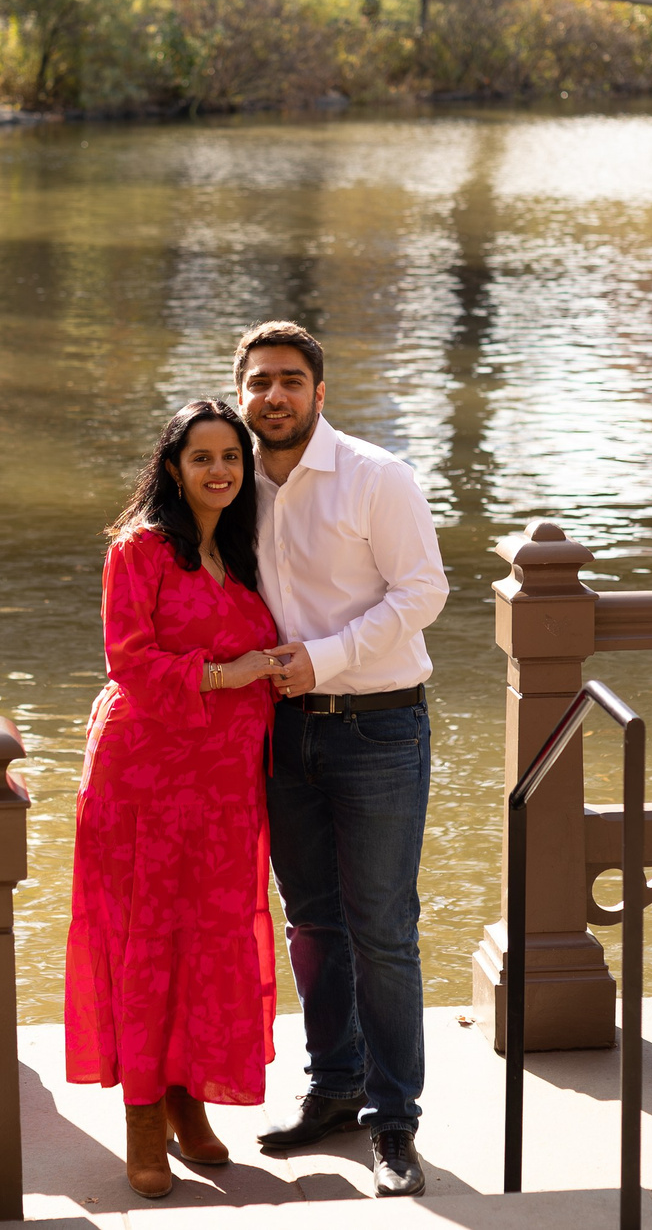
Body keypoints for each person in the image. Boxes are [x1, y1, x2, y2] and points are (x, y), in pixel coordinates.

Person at [236, 320, 449, 1198]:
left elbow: (424, 590)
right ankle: (336, 1084)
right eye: (259, 382)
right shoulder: (227, 480)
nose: (274, 396)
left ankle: (395, 1123)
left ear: (320, 394)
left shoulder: (376, 476)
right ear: (240, 392)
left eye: (290, 380)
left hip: (377, 728)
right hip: (281, 732)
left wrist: (323, 660)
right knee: (313, 919)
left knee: (383, 929)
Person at [66, 398, 293, 1200]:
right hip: (147, 777)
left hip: (226, 787)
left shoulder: (239, 547)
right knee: (147, 939)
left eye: (231, 457)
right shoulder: (141, 549)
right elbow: (128, 659)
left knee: (211, 937)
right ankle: (140, 1115)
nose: (220, 471)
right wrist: (233, 672)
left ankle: (185, 1095)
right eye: (202, 457)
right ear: (172, 466)